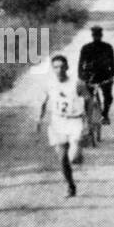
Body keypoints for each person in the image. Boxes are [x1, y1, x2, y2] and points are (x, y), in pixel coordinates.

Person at [37, 54, 90, 198]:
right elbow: (42, 102)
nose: (59, 70)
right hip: (58, 121)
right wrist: (39, 119)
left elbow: (88, 99)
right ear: (52, 69)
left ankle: (78, 152)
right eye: (56, 67)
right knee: (62, 159)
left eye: (62, 67)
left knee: (73, 157)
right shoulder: (49, 84)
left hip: (75, 121)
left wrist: (89, 121)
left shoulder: (77, 83)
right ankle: (71, 185)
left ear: (67, 67)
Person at [78, 25, 114, 124]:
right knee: (86, 98)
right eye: (95, 35)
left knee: (108, 97)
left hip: (104, 76)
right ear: (92, 36)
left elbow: (112, 63)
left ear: (101, 35)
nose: (97, 37)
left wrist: (112, 76)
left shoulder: (108, 47)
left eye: (98, 35)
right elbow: (81, 63)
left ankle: (105, 115)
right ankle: (88, 118)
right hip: (90, 77)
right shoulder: (86, 48)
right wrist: (81, 77)